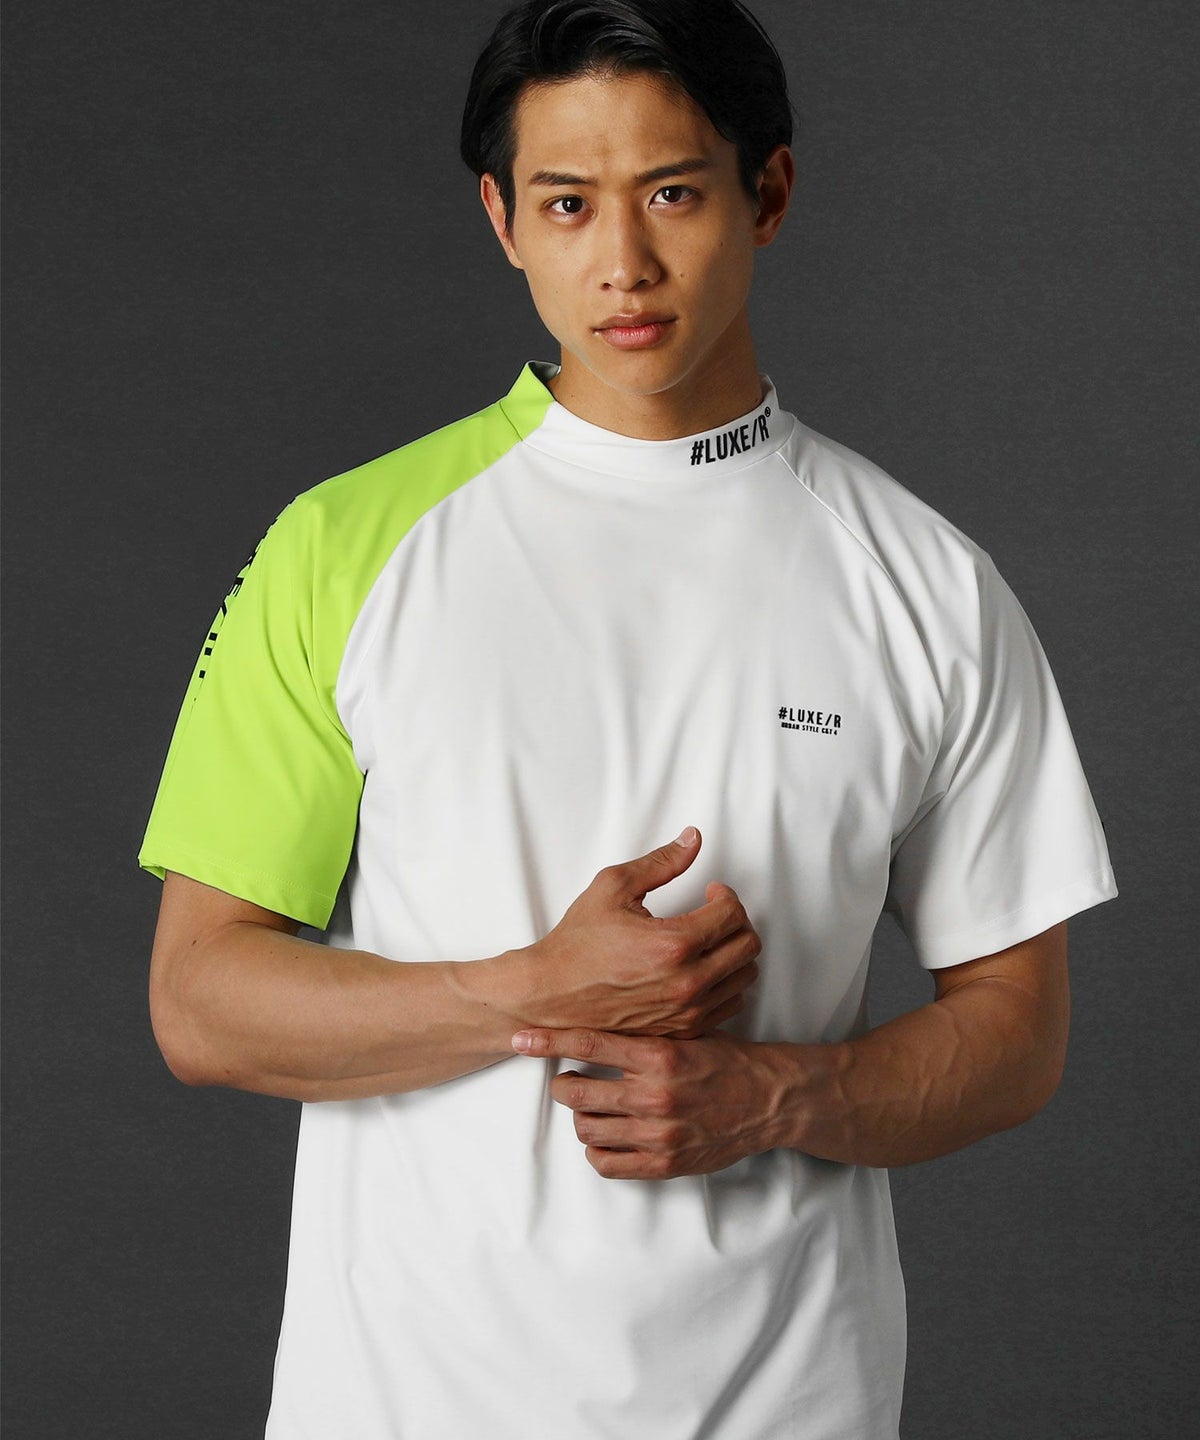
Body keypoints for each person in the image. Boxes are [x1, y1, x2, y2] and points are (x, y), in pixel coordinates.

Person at [139, 1, 1117, 1435]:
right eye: (566, 204)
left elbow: (1018, 1034)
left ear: (767, 194)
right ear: (502, 220)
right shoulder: (340, 549)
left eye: (671, 193)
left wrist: (773, 1097)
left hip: (788, 1408)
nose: (623, 263)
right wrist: (534, 991)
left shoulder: (927, 585)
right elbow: (200, 1002)